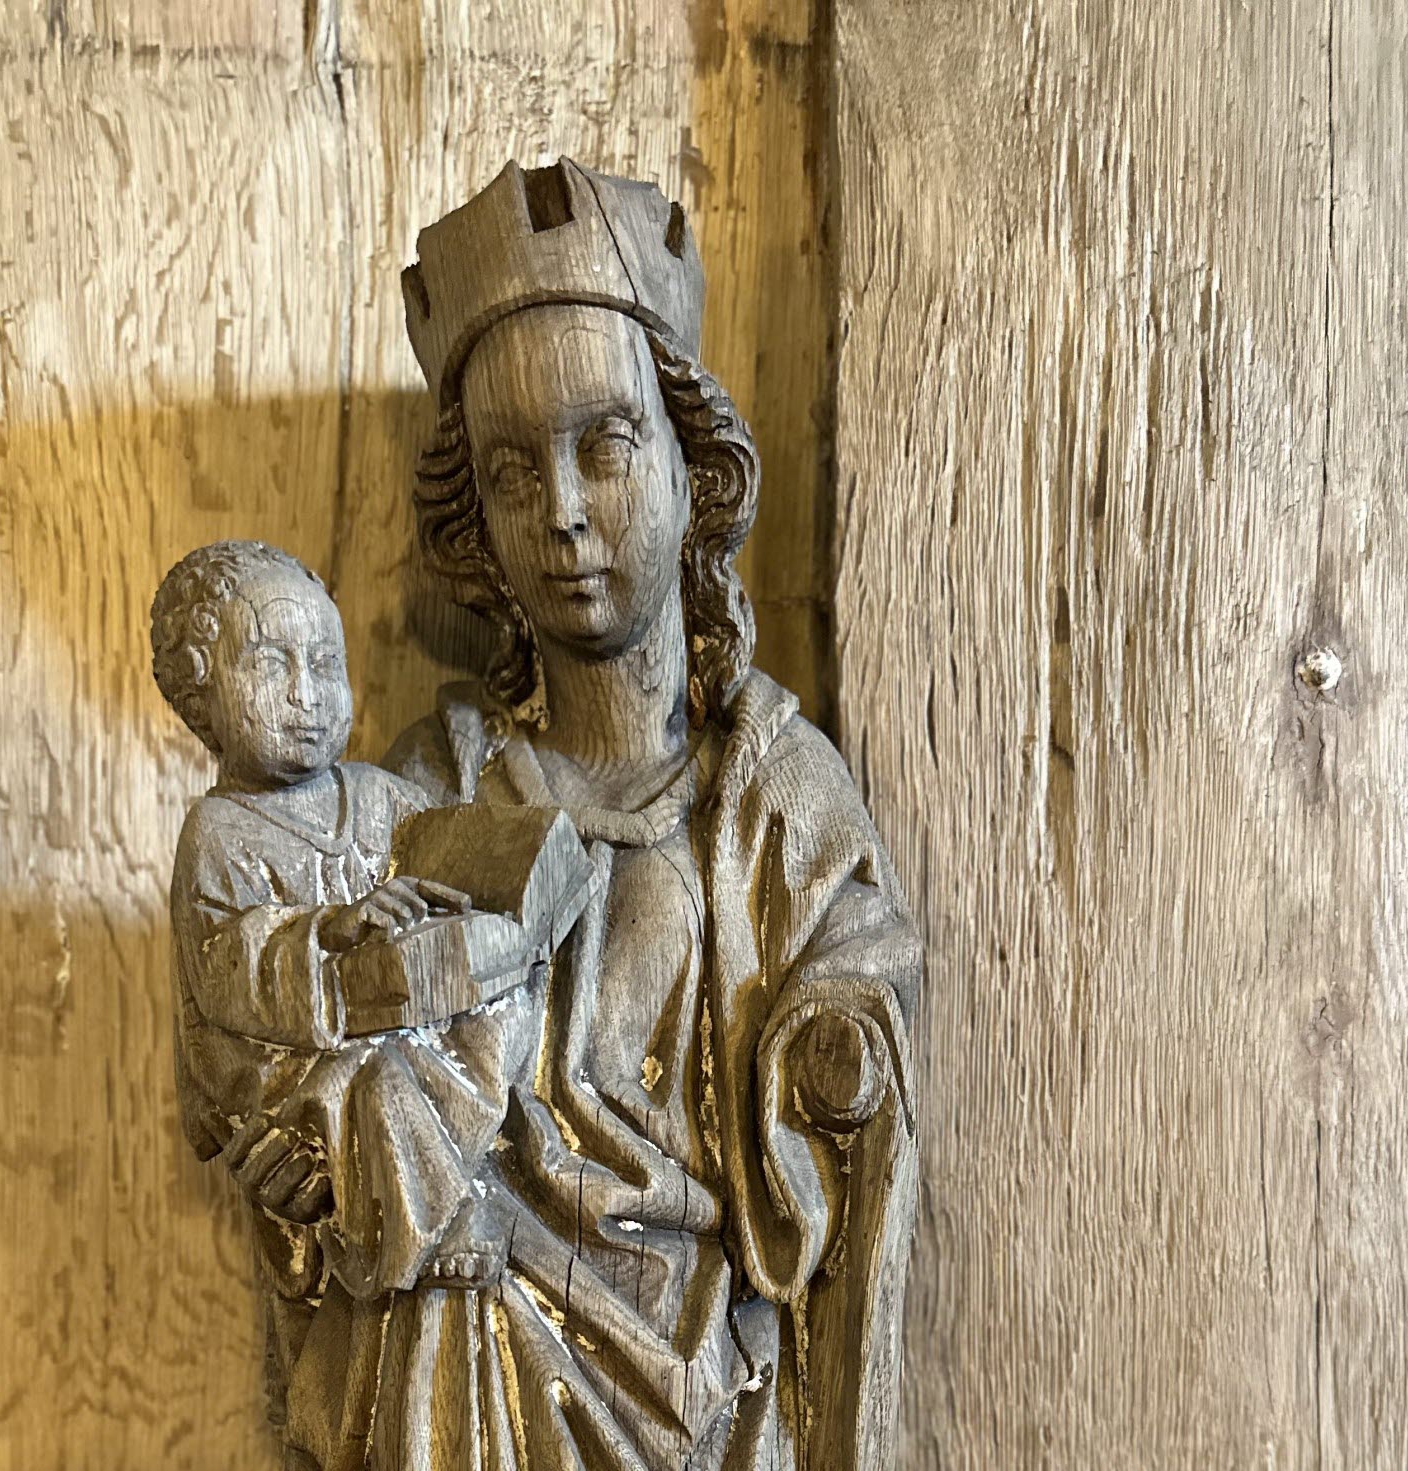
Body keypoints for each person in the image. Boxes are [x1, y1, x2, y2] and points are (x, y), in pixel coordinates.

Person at [263, 160, 922, 1470]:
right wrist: (318, 1169)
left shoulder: (770, 794)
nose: (562, 511)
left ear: (692, 468)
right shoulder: (435, 790)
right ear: (477, 529)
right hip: (471, 1371)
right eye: (513, 474)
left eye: (605, 444)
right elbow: (340, 1069)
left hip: (707, 1380)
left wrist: (834, 1055)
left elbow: (856, 1021)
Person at [150, 540, 542, 1440]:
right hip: (300, 1097)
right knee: (372, 1088)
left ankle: (446, 1214)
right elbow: (229, 967)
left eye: (326, 662)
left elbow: (451, 875)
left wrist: (505, 891)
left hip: (413, 1044)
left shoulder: (379, 796)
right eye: (272, 662)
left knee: (491, 1011)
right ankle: (426, 1233)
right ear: (203, 693)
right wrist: (334, 929)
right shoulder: (220, 834)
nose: (307, 691)